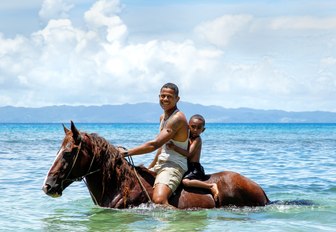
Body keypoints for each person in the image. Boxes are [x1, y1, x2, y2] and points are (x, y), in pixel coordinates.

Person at [118, 83, 189, 207]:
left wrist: (126, 153)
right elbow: (162, 146)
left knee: (159, 200)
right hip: (161, 163)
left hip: (174, 165)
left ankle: (181, 223)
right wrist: (151, 166)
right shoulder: (163, 117)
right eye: (163, 96)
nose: (165, 99)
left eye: (169, 97)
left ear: (177, 99)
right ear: (159, 97)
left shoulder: (177, 118)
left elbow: (154, 144)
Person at [166, 114, 219, 202]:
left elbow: (189, 154)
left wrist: (174, 147)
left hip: (194, 168)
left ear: (203, 130)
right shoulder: (187, 138)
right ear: (188, 126)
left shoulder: (197, 139)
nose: (195, 130)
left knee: (185, 182)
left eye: (199, 128)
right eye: (193, 127)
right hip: (186, 166)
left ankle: (211, 186)